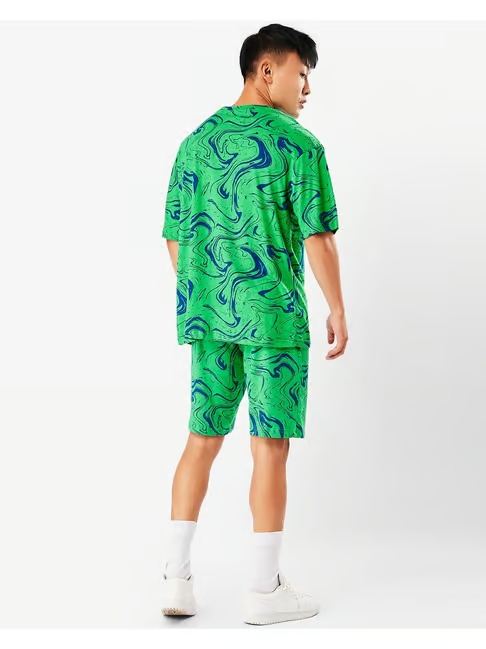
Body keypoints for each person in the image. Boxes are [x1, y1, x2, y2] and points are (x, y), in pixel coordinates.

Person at [160, 23, 348, 626]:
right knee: (270, 447)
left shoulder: (196, 143)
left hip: (211, 317)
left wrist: (210, 292)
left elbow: (175, 236)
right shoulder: (299, 147)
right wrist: (337, 307)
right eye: (301, 73)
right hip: (274, 320)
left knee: (201, 438)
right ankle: (264, 590)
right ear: (267, 71)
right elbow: (318, 238)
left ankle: (176, 578)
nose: (307, 88)